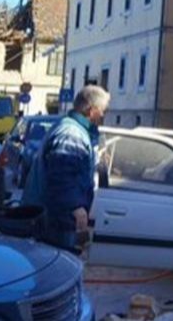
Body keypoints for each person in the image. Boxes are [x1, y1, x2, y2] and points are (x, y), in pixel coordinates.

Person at [22, 85, 108, 253]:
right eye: (104, 111)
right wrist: (76, 207)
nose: (104, 116)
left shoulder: (73, 129)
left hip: (55, 218)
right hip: (55, 221)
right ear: (92, 111)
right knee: (56, 272)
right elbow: (62, 176)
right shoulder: (72, 134)